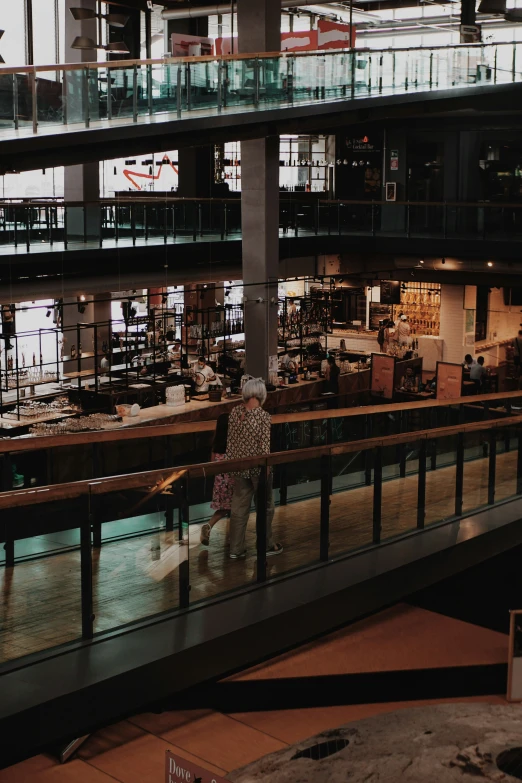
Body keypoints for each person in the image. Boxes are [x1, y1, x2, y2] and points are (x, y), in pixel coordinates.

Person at [226, 378, 283, 560]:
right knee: (266, 508)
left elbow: (232, 442)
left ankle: (236, 549)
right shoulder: (263, 417)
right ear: (261, 394)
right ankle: (265, 544)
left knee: (239, 508)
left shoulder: (234, 413)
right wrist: (267, 473)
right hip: (259, 469)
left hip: (239, 466)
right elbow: (264, 448)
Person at [200, 413, 234, 546]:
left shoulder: (216, 444)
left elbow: (212, 463)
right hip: (231, 480)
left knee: (226, 508)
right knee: (233, 507)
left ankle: (230, 537)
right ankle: (210, 526)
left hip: (220, 481)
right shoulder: (233, 444)